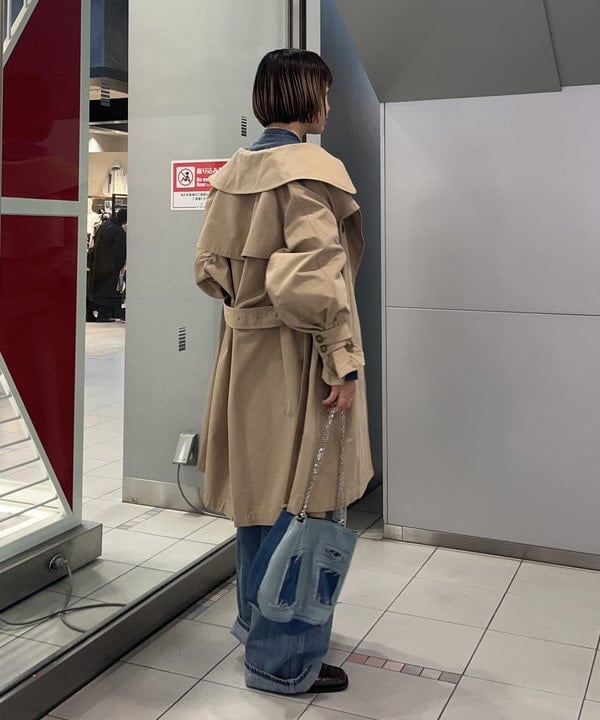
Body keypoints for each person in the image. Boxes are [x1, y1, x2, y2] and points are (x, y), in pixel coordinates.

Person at [194, 49, 373, 695]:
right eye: (324, 93)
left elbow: (208, 270)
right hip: (298, 357)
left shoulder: (232, 174)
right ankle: (284, 658)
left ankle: (256, 622)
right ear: (306, 97)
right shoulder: (305, 173)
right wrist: (342, 361)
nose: (328, 105)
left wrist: (249, 311)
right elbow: (312, 282)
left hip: (243, 356)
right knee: (307, 503)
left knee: (259, 501)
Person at [86, 208, 127, 322]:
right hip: (110, 265)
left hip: (97, 263)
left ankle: (90, 313)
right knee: (107, 290)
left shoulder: (104, 226)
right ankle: (103, 315)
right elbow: (120, 252)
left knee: (95, 289)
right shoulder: (119, 231)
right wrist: (119, 266)